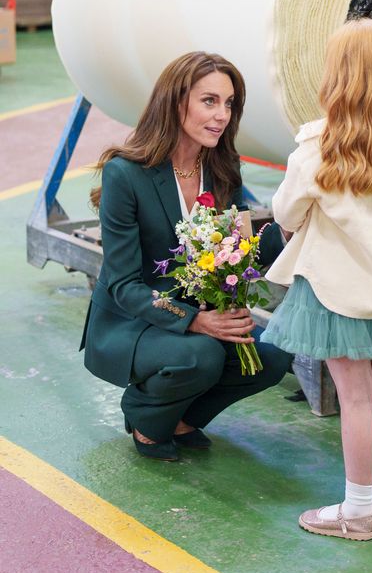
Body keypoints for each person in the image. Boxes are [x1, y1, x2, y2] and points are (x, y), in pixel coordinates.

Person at [260, 20, 372, 541]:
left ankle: (356, 512)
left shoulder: (317, 149)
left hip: (335, 288)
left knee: (356, 399)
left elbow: (286, 213)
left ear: (337, 76)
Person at [81, 51, 291, 461]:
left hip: (197, 313)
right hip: (133, 321)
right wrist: (194, 320)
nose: (222, 115)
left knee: (271, 357)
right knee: (203, 355)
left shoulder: (223, 166)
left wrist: (287, 231)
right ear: (176, 103)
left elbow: (236, 251)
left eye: (229, 103)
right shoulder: (125, 174)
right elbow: (124, 285)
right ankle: (143, 415)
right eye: (209, 101)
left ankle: (181, 419)